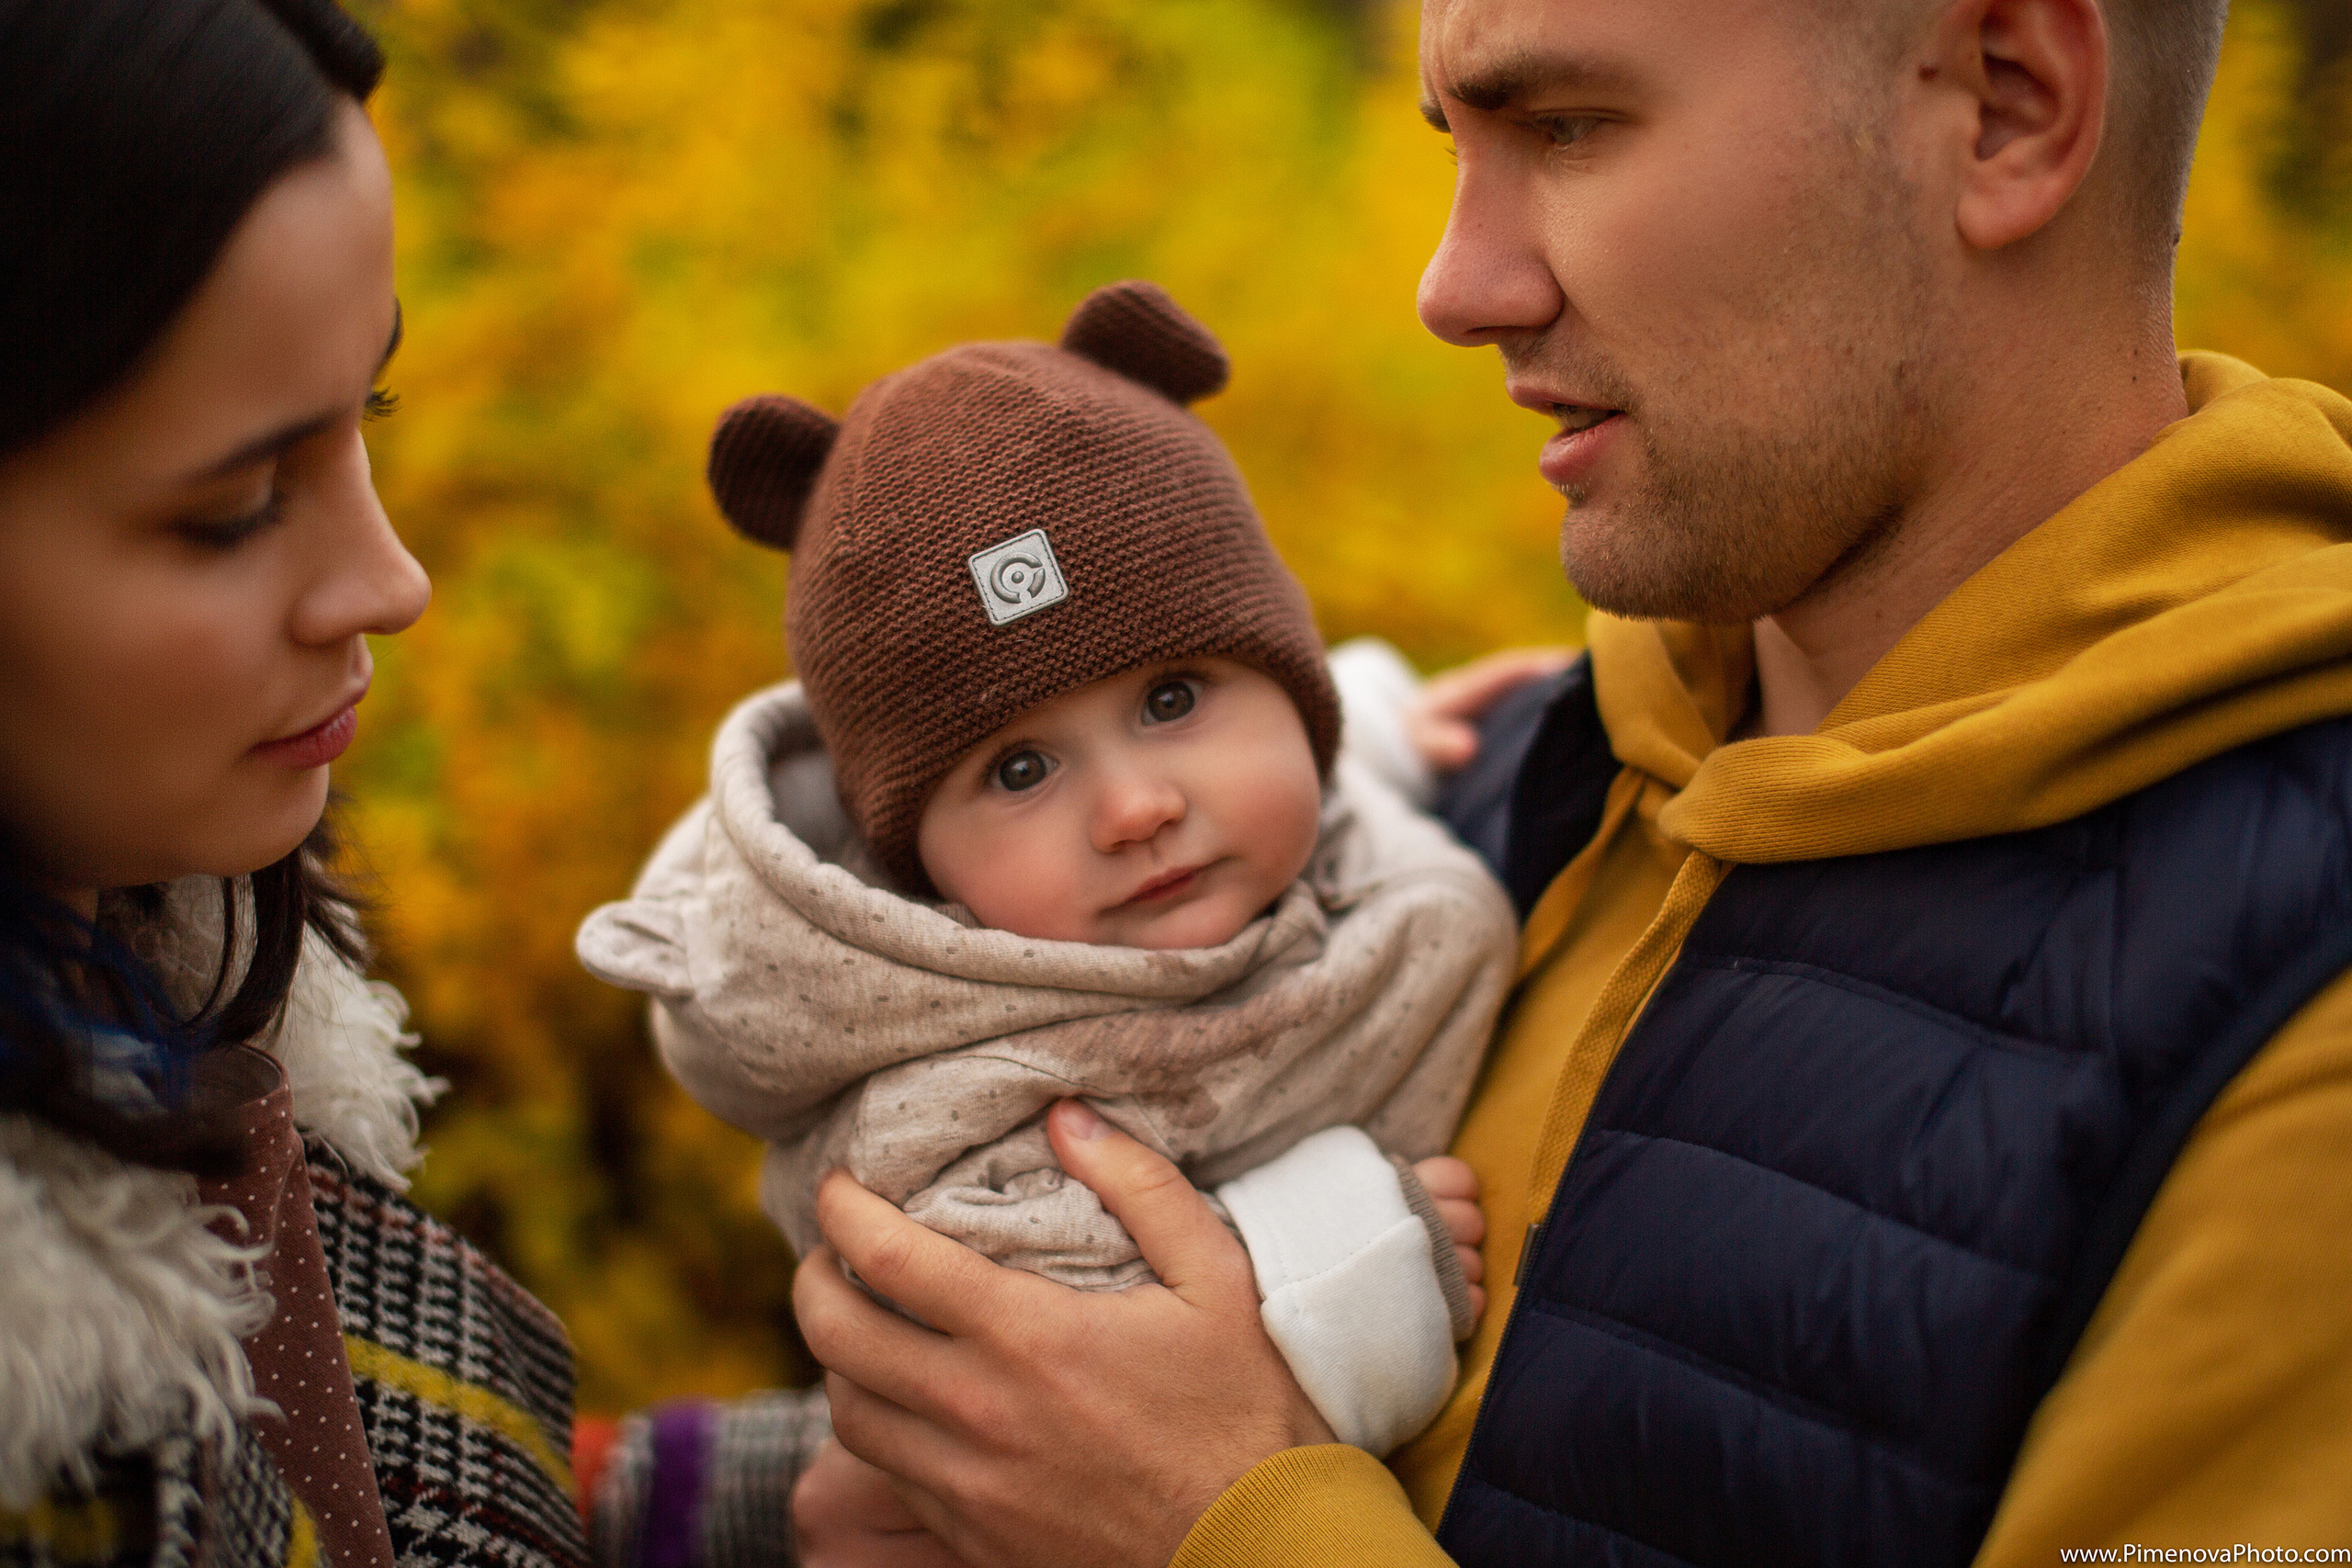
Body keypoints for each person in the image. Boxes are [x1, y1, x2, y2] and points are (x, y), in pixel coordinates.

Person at [786, 0, 2352, 1563]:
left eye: (1567, 127)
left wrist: (1217, 1525)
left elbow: (1175, 1465)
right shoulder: (1499, 793)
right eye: (1453, 148)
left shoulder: (2299, 1033)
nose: (1454, 290)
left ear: (2006, 105)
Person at [0, 6, 823, 1565]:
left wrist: (813, 1491)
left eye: (368, 414)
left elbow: (373, 1500)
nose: (393, 579)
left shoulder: (179, 1002)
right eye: (239, 502)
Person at [574, 280, 1518, 1538]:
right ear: (920, 866)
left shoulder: (1297, 826)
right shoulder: (956, 1082)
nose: (1134, 808)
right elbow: (1043, 1363)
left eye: (1174, 699)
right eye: (1020, 770)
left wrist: (1376, 734)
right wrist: (1338, 1266)